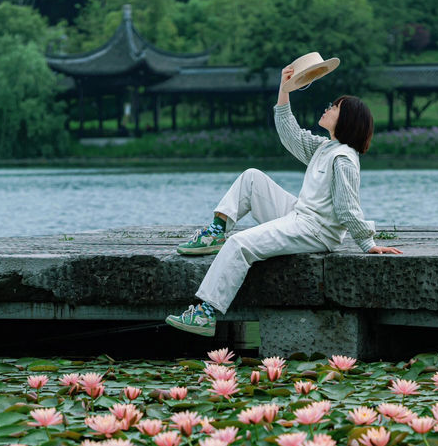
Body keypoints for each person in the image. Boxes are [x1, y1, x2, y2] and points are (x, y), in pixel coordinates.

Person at [165, 63, 402, 337]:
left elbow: (347, 207)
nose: (327, 108)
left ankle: (206, 313)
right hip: (299, 216)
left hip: (316, 230)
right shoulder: (326, 147)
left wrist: (367, 243)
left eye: (334, 107)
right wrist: (284, 88)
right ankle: (215, 232)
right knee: (252, 177)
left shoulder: (344, 159)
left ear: (347, 119)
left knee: (240, 244)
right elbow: (291, 135)